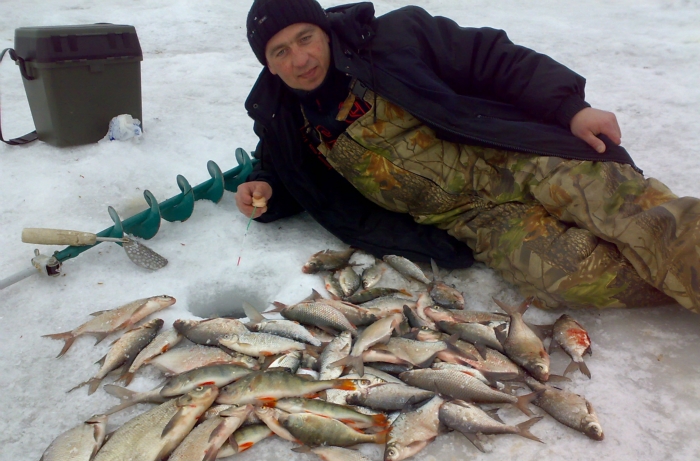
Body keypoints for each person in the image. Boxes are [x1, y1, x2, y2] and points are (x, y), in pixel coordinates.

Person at [235, 0, 700, 313]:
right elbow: (283, 172)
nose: (300, 59)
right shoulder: (283, 121)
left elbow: (493, 57)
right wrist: (265, 189)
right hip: (472, 218)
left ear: (324, 31)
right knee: (571, 277)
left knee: (641, 220)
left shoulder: (393, 37)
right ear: (268, 65)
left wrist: (569, 108)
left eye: (305, 38)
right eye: (281, 51)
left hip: (518, 154)